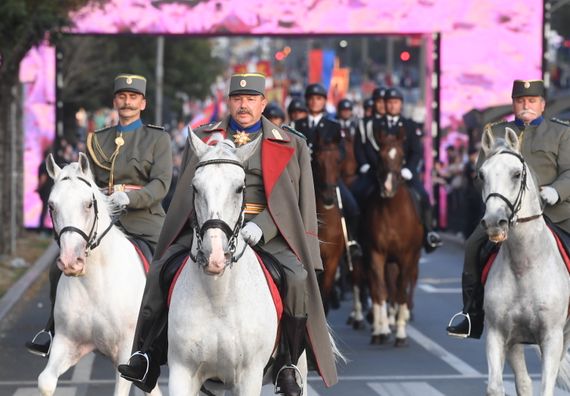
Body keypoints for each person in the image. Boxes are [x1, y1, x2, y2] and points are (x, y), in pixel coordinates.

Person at [118, 73, 338, 395]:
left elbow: (294, 204)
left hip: (268, 233)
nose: (243, 105)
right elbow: (187, 194)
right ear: (229, 102)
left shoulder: (292, 142)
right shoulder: (203, 138)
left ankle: (288, 364)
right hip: (209, 224)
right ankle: (146, 352)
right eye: (237, 99)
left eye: (250, 100)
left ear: (263, 103)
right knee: (161, 269)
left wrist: (260, 227)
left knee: (295, 278)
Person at [25, 73, 173, 357]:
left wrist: (129, 197)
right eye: (122, 97)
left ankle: (161, 337)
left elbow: (161, 185)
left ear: (143, 103)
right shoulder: (98, 140)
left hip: (144, 221)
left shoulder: (157, 139)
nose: (127, 102)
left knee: (165, 269)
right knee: (59, 267)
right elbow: (85, 182)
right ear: (115, 101)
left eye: (133, 98)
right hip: (101, 223)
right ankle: (53, 329)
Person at [447, 79, 570, 338]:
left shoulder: (561, 133)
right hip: (505, 214)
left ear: (542, 104)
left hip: (553, 212)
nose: (526, 105)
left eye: (532, 101)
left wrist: (556, 191)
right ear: (514, 103)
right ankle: (472, 315)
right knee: (472, 247)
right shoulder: (496, 132)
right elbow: (480, 173)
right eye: (521, 101)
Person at [359, 87, 442, 252]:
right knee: (360, 194)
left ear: (401, 105)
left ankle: (429, 234)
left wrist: (409, 169)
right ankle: (358, 237)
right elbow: (369, 148)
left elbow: (416, 150)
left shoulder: (409, 125)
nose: (392, 106)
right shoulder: (375, 124)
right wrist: (378, 168)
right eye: (389, 102)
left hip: (404, 173)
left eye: (395, 102)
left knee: (423, 197)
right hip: (380, 173)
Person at [292, 83, 362, 259]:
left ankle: (351, 241)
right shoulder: (296, 125)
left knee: (352, 206)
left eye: (319, 98)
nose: (315, 102)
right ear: (307, 101)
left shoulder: (334, 126)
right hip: (302, 179)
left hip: (328, 178)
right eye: (312, 99)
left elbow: (342, 152)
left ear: (324, 101)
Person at [37, 147, 55, 231]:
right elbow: (43, 178)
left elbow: (42, 178)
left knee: (45, 209)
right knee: (46, 209)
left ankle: (42, 228)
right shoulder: (45, 165)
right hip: (47, 190)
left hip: (45, 190)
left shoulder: (42, 164)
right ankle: (42, 228)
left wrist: (38, 188)